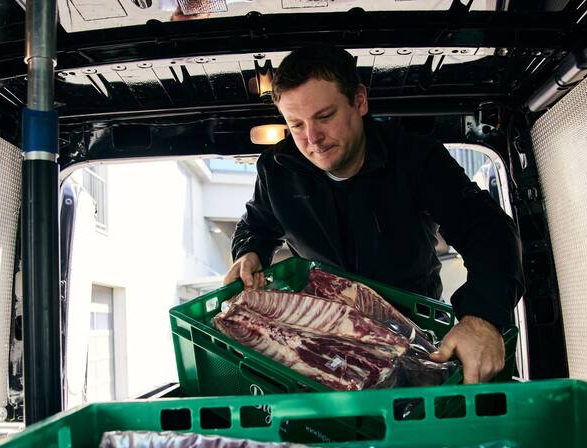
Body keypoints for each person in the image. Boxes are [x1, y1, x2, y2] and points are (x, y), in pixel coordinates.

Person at [223, 46, 524, 384]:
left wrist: (482, 316)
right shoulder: (277, 170)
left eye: (325, 117)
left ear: (360, 101)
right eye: (296, 125)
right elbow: (257, 226)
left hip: (415, 330)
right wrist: (248, 252)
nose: (312, 139)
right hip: (325, 339)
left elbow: (486, 228)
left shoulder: (415, 159)